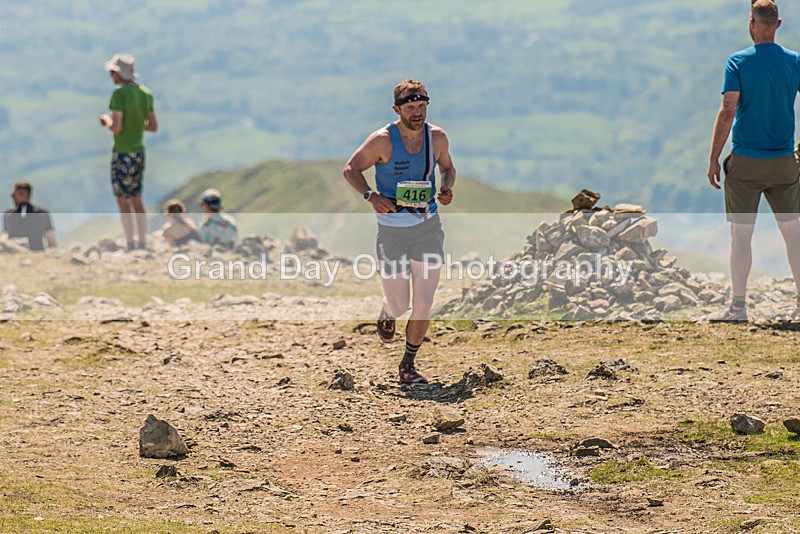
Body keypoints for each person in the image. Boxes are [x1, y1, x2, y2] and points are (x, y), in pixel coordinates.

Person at [343, 79, 456, 384]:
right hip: (392, 231)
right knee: (400, 303)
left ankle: (408, 364)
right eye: (410, 108)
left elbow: (448, 167)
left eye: (422, 106)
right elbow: (351, 169)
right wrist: (371, 196)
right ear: (397, 109)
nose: (417, 113)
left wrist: (446, 188)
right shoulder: (382, 140)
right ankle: (387, 311)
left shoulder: (437, 137)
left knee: (424, 299)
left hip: (427, 227)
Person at [707, 0, 800, 321]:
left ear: (751, 24)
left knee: (741, 235)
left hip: (746, 161)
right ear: (777, 24)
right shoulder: (795, 62)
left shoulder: (738, 62)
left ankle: (738, 307)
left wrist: (714, 158)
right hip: (785, 160)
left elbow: (728, 110)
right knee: (793, 233)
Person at [99, 54, 158, 251]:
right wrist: (137, 125)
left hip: (122, 152)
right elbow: (152, 126)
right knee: (137, 198)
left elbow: (116, 128)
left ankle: (130, 242)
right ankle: (142, 241)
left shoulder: (119, 95)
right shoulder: (145, 93)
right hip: (139, 153)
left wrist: (106, 121)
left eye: (112, 72)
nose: (111, 76)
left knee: (123, 200)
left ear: (118, 74)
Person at [3, 182, 57, 251]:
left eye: (13, 195)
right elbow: (51, 240)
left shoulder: (8, 216)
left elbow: (5, 237)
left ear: (20, 195)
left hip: (14, 254)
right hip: (38, 254)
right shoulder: (42, 214)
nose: (12, 198)